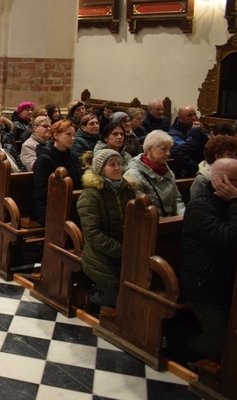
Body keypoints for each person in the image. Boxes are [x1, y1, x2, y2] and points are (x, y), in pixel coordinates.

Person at [172, 158, 237, 363]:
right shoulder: (200, 208)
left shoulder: (230, 203)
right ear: (221, 181)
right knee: (223, 345)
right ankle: (178, 350)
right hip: (204, 284)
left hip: (226, 281)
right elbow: (231, 239)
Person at [77, 150, 138, 308]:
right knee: (117, 293)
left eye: (118, 164)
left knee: (138, 289)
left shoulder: (128, 190)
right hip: (98, 254)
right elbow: (93, 235)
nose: (117, 168)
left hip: (125, 249)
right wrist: (122, 250)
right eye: (111, 165)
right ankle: (91, 297)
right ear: (100, 169)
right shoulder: (91, 195)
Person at [32, 120, 82, 225]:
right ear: (56, 135)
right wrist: (45, 218)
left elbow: (78, 184)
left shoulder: (73, 158)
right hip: (52, 209)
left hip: (72, 206)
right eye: (68, 134)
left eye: (74, 135)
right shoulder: (44, 160)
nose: (72, 138)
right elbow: (40, 192)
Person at [125, 130, 185, 217]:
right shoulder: (133, 175)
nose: (168, 153)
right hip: (150, 224)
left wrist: (184, 216)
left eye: (169, 149)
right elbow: (140, 211)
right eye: (164, 149)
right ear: (150, 149)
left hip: (170, 222)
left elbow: (176, 200)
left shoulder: (168, 172)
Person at [190, 135, 237, 203]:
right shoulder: (202, 180)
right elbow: (199, 208)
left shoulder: (232, 174)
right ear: (218, 156)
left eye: (235, 154)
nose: (235, 158)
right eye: (230, 154)